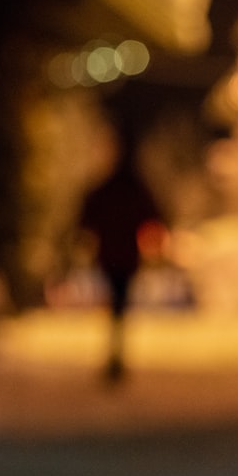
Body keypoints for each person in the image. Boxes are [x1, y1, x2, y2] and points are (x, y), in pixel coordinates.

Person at [78, 112, 167, 382]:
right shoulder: (131, 187)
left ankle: (115, 353)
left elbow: (86, 215)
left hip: (115, 253)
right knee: (119, 303)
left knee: (117, 303)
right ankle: (116, 353)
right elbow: (154, 215)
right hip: (123, 254)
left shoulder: (115, 188)